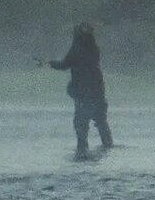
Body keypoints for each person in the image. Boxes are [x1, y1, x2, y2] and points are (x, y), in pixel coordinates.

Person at [47, 22, 113, 158]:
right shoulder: (94, 48)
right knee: (100, 119)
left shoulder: (77, 48)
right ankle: (108, 145)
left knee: (81, 122)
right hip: (97, 89)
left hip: (82, 91)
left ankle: (82, 147)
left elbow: (65, 64)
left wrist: (50, 63)